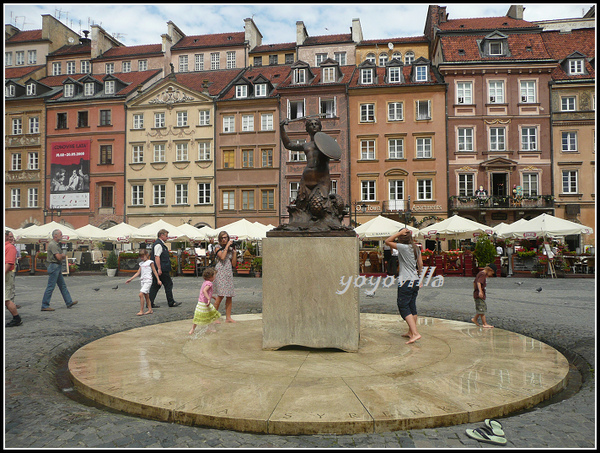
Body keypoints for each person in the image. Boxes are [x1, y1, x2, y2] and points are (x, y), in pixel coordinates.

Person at [385, 228, 423, 344]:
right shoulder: (416, 248)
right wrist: (419, 279)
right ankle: (411, 332)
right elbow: (420, 264)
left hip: (405, 281)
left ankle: (415, 333)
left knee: (403, 305)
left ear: (401, 238)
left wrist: (398, 233)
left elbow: (387, 241)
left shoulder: (403, 247)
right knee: (411, 306)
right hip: (415, 280)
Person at [41, 229, 78, 311]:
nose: (62, 236)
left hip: (56, 266)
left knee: (62, 286)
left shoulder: (56, 244)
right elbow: (58, 257)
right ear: (55, 235)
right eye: (60, 234)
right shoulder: (53, 244)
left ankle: (69, 302)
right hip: (54, 266)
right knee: (50, 287)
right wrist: (63, 255)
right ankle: (44, 305)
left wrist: (62, 255)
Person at [149, 229, 181, 308]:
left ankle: (149, 302)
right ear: (162, 235)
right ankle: (171, 302)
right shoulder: (159, 245)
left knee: (156, 285)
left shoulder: (160, 244)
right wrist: (159, 268)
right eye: (166, 236)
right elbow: (157, 257)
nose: (167, 237)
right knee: (168, 284)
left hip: (161, 268)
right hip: (162, 269)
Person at [126, 249, 161, 316]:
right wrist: (131, 279)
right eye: (141, 257)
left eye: (143, 256)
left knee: (141, 294)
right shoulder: (141, 264)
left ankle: (141, 310)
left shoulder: (150, 262)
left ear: (147, 255)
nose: (142, 258)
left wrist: (158, 280)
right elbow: (138, 272)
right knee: (146, 296)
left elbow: (154, 271)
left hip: (148, 280)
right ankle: (150, 309)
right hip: (143, 281)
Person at [212, 231, 236, 323]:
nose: (224, 239)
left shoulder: (229, 249)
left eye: (225, 237)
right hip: (220, 272)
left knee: (229, 295)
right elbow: (222, 257)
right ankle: (214, 317)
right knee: (220, 295)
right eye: (222, 238)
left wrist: (234, 253)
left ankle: (228, 317)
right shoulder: (217, 247)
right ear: (219, 239)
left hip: (228, 272)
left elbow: (233, 264)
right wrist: (226, 247)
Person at [189, 267, 221, 334]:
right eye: (214, 275)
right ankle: (209, 328)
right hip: (205, 303)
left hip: (201, 302)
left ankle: (192, 329)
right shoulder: (209, 283)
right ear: (211, 276)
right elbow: (204, 291)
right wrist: (209, 299)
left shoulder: (205, 282)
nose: (215, 277)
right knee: (210, 314)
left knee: (198, 316)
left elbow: (205, 292)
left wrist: (211, 297)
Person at [5, 231, 23, 327]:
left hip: (7, 275)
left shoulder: (10, 247)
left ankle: (17, 318)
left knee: (6, 299)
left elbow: (9, 263)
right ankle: (17, 318)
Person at [472, 263, 497, 328]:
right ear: (490, 270)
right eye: (492, 274)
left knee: (481, 308)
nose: (490, 276)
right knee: (482, 308)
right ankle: (484, 323)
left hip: (477, 293)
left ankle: (475, 319)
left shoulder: (480, 273)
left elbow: (474, 282)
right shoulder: (483, 274)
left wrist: (475, 290)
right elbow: (478, 282)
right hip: (479, 294)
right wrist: (480, 291)